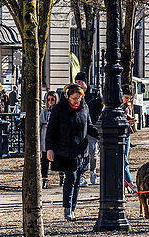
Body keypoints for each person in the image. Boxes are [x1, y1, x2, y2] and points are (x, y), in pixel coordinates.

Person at [46, 83, 98, 221]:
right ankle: (67, 208)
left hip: (81, 151)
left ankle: (72, 208)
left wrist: (102, 135)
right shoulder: (59, 110)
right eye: (74, 98)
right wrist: (50, 148)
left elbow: (90, 126)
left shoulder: (84, 107)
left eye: (79, 98)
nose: (77, 101)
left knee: (77, 180)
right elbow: (51, 131)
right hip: (66, 150)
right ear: (68, 96)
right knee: (71, 178)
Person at [74, 72, 102, 185]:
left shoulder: (95, 95)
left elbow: (101, 110)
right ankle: (82, 175)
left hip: (92, 128)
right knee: (81, 154)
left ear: (85, 82)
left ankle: (93, 171)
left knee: (93, 153)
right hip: (80, 129)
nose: (78, 84)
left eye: (80, 82)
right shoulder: (76, 95)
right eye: (76, 82)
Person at [40, 91, 57, 189]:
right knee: (45, 159)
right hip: (45, 136)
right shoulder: (44, 111)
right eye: (49, 99)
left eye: (52, 99)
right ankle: (44, 179)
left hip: (55, 136)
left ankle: (61, 177)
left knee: (58, 157)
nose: (50, 101)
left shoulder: (58, 111)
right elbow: (41, 122)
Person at [122, 90, 136, 193]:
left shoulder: (127, 106)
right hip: (120, 134)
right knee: (124, 160)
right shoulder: (116, 106)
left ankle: (127, 183)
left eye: (130, 98)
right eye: (126, 97)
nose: (128, 100)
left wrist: (130, 121)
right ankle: (130, 183)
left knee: (125, 159)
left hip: (126, 134)